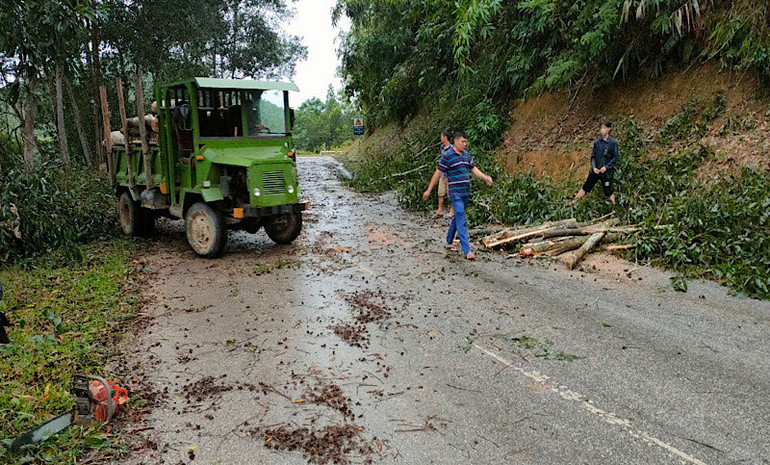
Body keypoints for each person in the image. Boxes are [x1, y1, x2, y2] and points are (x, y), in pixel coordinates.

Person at [423, 131, 493, 260]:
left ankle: (449, 239)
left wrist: (485, 178)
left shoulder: (466, 155)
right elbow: (437, 173)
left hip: (465, 192)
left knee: (458, 217)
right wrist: (429, 189)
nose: (465, 144)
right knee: (461, 218)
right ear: (455, 141)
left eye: (466, 142)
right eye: (463, 142)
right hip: (455, 194)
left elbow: (474, 169)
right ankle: (467, 250)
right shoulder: (447, 156)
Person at [570, 121, 619, 205]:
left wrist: (606, 167)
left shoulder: (613, 143)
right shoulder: (597, 142)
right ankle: (573, 202)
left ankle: (613, 209)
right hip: (596, 171)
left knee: (609, 191)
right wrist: (594, 167)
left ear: (609, 129)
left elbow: (615, 158)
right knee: (586, 187)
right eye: (601, 128)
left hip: (606, 173)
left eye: (604, 128)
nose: (602, 130)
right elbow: (593, 157)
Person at [433, 130, 454, 218]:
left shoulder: (452, 148)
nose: (441, 138)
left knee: (451, 193)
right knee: (440, 192)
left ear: (445, 137)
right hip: (442, 174)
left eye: (442, 136)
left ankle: (452, 210)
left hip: (450, 175)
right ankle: (440, 210)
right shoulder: (442, 147)